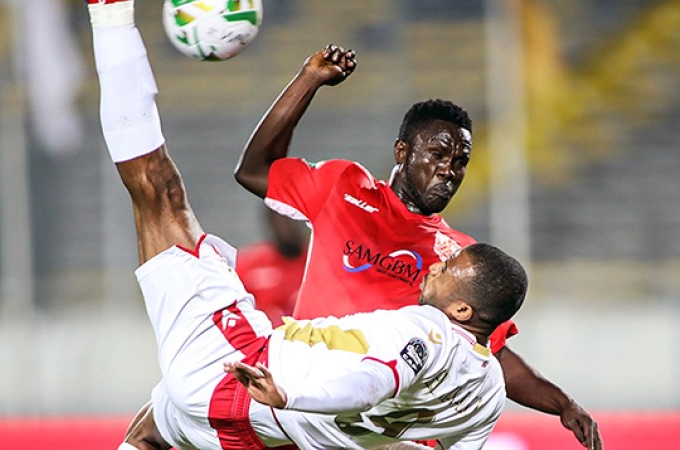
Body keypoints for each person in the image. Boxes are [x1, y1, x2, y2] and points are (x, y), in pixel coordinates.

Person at [86, 1, 528, 449]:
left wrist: (290, 393)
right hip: (270, 435)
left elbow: (374, 380)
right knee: (152, 432)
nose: (436, 267)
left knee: (158, 190)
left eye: (447, 270)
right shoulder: (486, 392)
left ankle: (110, 15)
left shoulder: (421, 330)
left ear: (462, 310)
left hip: (248, 372)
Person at [234, 45, 602, 450]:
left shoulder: (459, 258)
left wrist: (563, 404)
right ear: (402, 152)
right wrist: (309, 80)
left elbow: (492, 354)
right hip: (303, 404)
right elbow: (253, 169)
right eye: (439, 154)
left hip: (375, 431)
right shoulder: (343, 187)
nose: (451, 169)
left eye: (461, 160)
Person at [236, 208, 308, 327]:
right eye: (280, 219)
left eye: (290, 219)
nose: (287, 226)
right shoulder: (249, 265)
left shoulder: (317, 262)